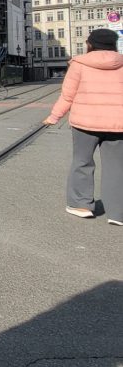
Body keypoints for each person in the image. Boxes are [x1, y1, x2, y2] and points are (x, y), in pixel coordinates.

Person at [43, 27, 123, 225]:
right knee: (116, 167)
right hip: (118, 124)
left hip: (85, 123)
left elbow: (67, 96)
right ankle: (117, 212)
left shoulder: (79, 64)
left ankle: (81, 205)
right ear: (114, 45)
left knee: (82, 161)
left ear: (90, 44)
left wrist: (53, 117)